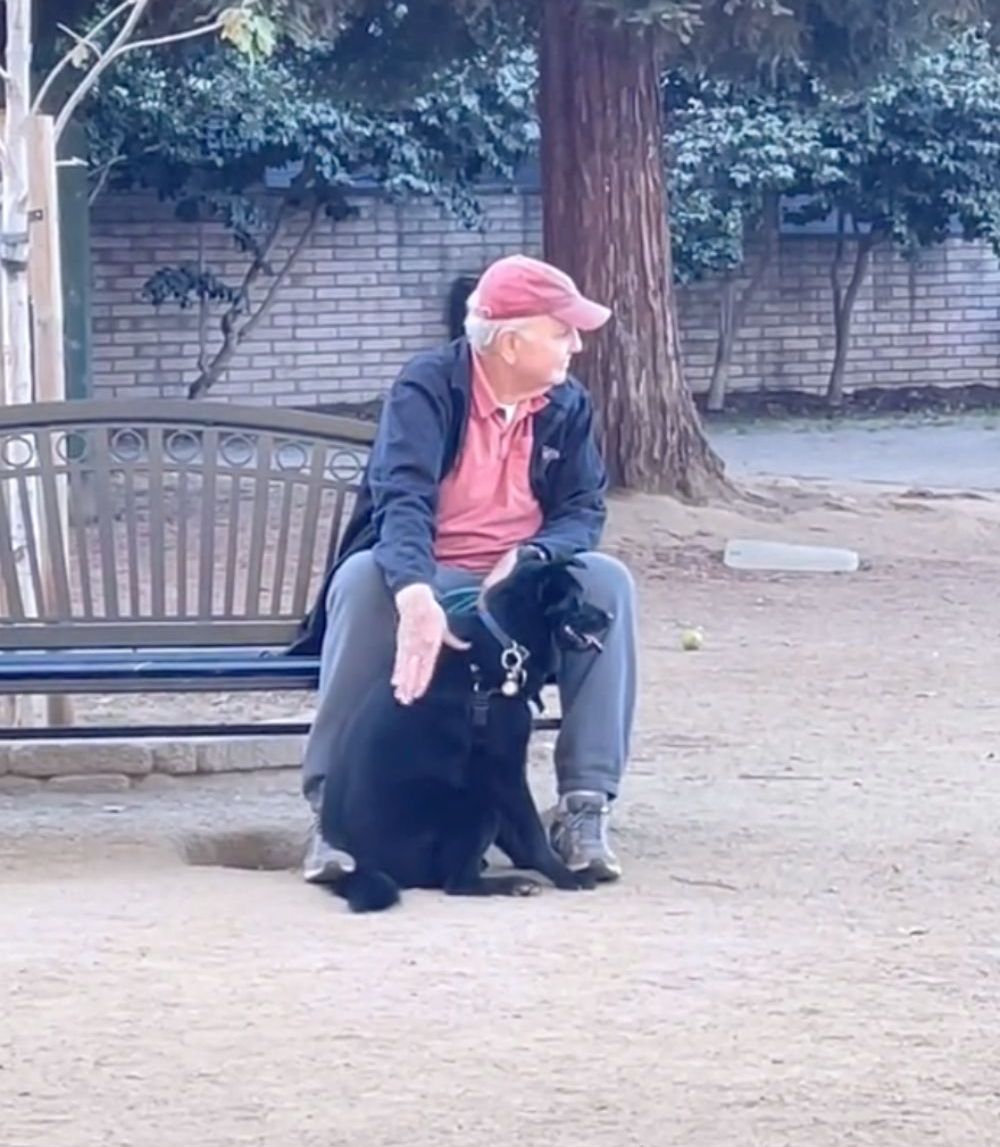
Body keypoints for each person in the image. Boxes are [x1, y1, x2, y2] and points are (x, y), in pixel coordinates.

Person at [293, 253, 638, 886]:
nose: (577, 344)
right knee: (363, 583)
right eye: (561, 330)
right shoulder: (427, 387)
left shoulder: (567, 404)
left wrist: (532, 557)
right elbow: (401, 499)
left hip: (518, 589)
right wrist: (414, 593)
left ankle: (584, 807)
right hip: (434, 568)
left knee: (607, 583)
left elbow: (583, 509)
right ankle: (332, 816)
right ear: (510, 342)